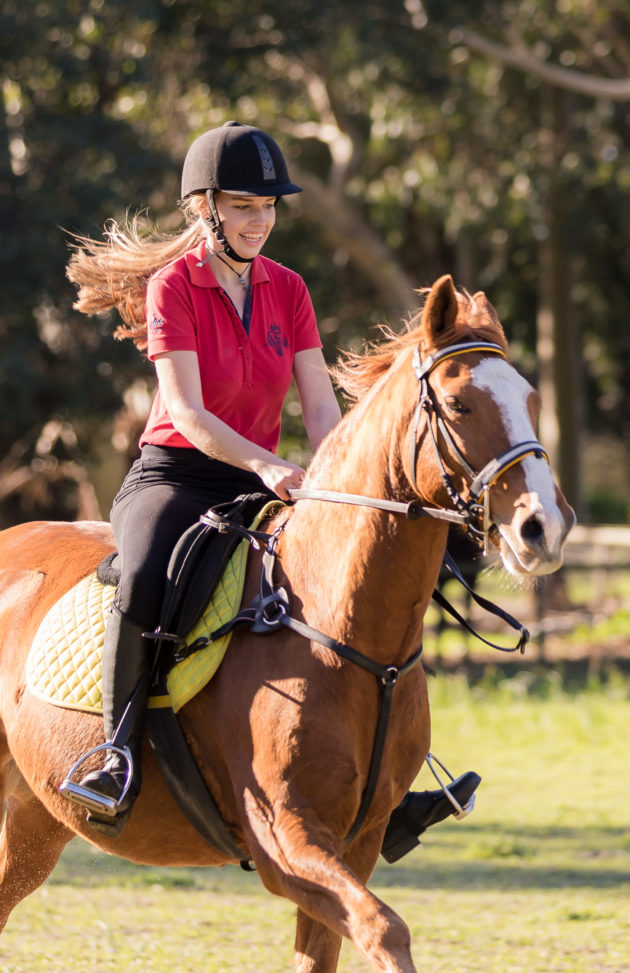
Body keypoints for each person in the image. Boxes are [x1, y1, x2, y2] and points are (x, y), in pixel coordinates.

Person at [60, 121, 478, 853]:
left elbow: (320, 406)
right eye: (244, 207)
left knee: (363, 583)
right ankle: (116, 752)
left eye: (268, 207)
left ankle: (390, 777)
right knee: (145, 577)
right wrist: (264, 465)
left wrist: (337, 476)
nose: (259, 221)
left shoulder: (288, 288)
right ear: (205, 208)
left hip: (272, 478)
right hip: (179, 474)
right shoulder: (174, 288)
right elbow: (186, 412)